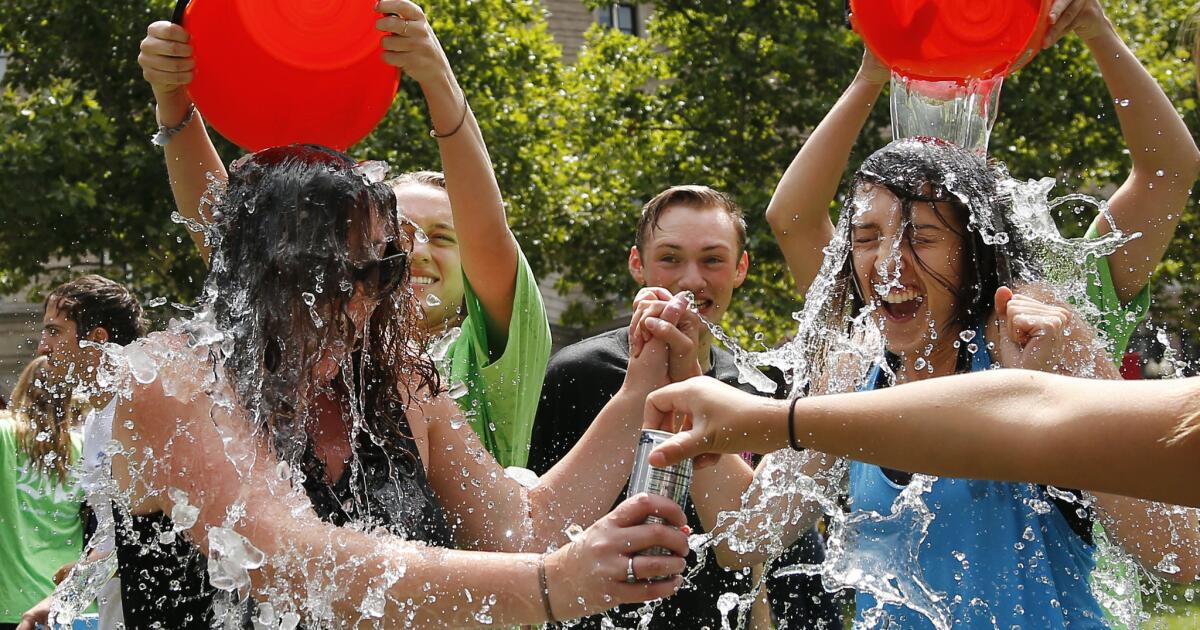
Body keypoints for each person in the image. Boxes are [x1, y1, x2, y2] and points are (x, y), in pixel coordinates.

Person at [88, 143, 692, 629]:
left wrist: (639, 387)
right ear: (258, 273)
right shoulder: (174, 379)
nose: (356, 301)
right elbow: (287, 559)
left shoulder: (396, 382)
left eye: (380, 269)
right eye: (324, 275)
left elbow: (520, 529)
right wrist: (550, 582)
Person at [138, 0, 551, 469]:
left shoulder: (490, 356)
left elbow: (489, 236)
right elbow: (234, 245)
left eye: (443, 237)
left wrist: (437, 79)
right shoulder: (334, 353)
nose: (414, 251)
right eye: (396, 238)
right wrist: (173, 97)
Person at [527, 185, 841, 629]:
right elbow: (537, 533)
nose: (692, 280)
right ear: (638, 264)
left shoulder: (760, 390)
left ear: (740, 269)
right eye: (671, 258)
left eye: (712, 259)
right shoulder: (579, 373)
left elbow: (764, 546)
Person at [17, 274, 149, 630]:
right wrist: (62, 600)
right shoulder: (95, 421)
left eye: (55, 331)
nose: (42, 347)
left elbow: (165, 539)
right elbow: (113, 534)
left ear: (97, 340)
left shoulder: (143, 413)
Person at [1, 357, 84, 630]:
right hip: (67, 604)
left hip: (13, 601)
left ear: (23, 387)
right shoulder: (82, 445)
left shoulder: (4, 435)